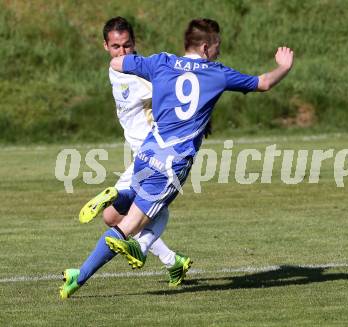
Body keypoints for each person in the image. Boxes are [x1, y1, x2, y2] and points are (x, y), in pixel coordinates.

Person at [60, 18, 294, 299]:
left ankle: (118, 208)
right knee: (132, 226)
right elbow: (264, 83)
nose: (218, 52)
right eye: (217, 46)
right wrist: (284, 66)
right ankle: (132, 249)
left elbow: (118, 64)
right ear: (206, 47)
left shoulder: (161, 62)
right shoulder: (216, 73)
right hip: (172, 163)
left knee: (121, 215)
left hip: (147, 151)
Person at [59, 17, 192, 300]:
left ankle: (124, 204)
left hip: (150, 154)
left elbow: (169, 90)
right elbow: (172, 89)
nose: (123, 53)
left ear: (135, 43)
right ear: (105, 45)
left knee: (120, 214)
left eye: (128, 45)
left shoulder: (126, 70)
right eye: (116, 46)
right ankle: (169, 260)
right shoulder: (131, 73)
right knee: (145, 209)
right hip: (150, 155)